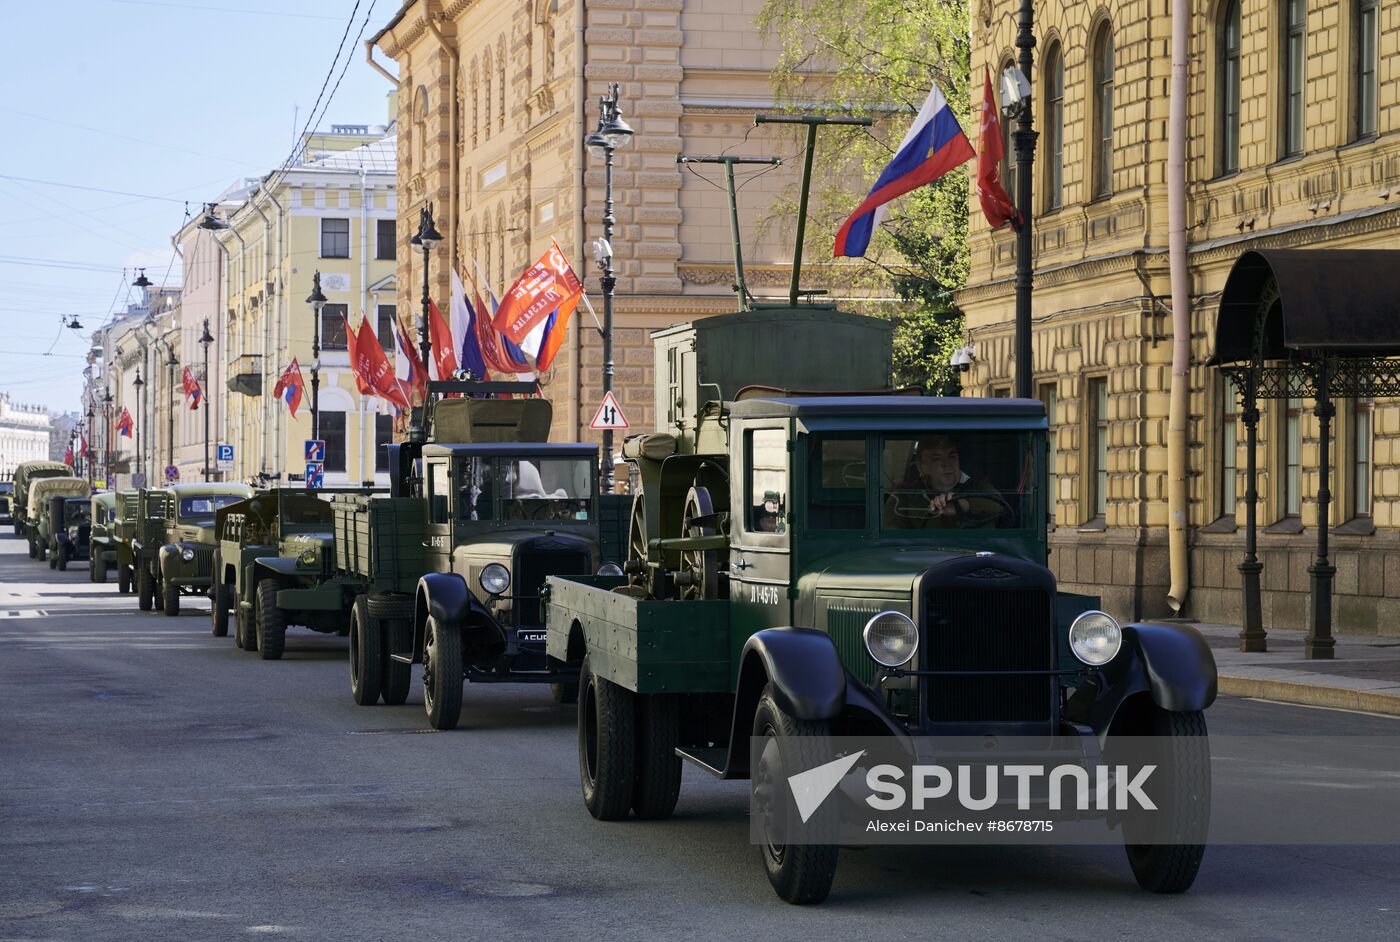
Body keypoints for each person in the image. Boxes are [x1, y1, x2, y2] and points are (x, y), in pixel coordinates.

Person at [885, 435, 1010, 529]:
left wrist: (961, 505)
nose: (947, 464)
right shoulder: (904, 496)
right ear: (921, 467)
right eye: (936, 459)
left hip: (976, 556)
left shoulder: (978, 485)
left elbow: (999, 506)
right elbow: (892, 540)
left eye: (952, 456)